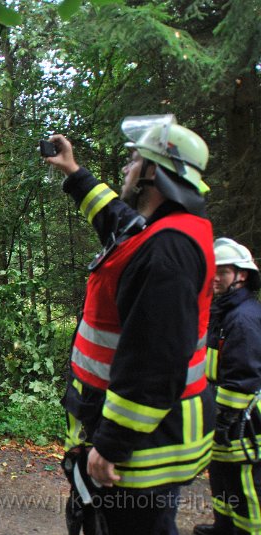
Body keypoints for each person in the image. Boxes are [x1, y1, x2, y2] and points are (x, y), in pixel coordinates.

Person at [45, 114, 215, 534]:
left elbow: (155, 363)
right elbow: (114, 216)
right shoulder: (157, 232)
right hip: (144, 437)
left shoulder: (167, 254)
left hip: (142, 450)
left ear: (154, 173)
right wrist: (73, 171)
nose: (126, 167)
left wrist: (111, 445)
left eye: (135, 159)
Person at [194, 238, 261, 535]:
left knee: (245, 486)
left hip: (243, 424)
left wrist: (225, 420)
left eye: (223, 271)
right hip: (222, 418)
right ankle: (224, 527)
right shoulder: (222, 313)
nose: (216, 277)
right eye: (213, 271)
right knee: (221, 477)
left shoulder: (244, 318)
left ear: (242, 275)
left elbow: (242, 378)